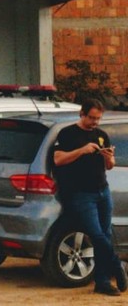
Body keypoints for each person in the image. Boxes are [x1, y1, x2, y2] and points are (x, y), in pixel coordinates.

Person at [53, 97, 127, 296]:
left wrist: (109, 158)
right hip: (81, 194)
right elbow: (58, 160)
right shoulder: (67, 133)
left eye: (98, 118)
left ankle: (102, 281)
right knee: (96, 234)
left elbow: (109, 166)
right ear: (82, 114)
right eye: (91, 118)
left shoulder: (101, 135)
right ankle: (116, 263)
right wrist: (82, 151)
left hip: (102, 190)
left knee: (106, 233)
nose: (95, 122)